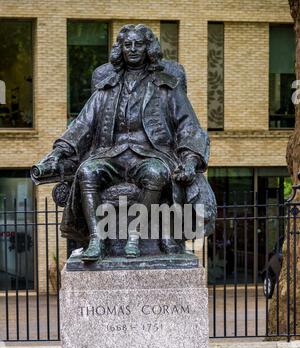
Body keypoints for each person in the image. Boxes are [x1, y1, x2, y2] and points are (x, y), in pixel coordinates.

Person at [36, 24, 214, 262]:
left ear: (148, 48)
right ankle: (97, 240)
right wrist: (58, 152)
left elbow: (188, 127)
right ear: (120, 49)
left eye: (138, 44)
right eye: (127, 44)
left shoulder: (166, 87)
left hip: (151, 155)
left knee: (157, 173)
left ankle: (135, 234)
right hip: (111, 155)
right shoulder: (106, 87)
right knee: (87, 171)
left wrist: (191, 161)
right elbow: (81, 125)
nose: (132, 49)